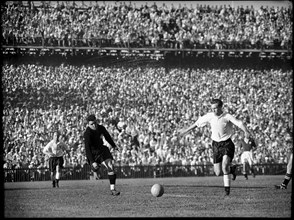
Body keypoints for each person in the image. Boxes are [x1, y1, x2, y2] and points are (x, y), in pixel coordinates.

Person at [178, 98, 252, 196]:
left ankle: (227, 191)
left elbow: (239, 123)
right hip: (216, 145)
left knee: (225, 165)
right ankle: (232, 169)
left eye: (215, 108)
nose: (213, 110)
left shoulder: (227, 116)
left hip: (227, 143)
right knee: (217, 172)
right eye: (212, 108)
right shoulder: (210, 116)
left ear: (221, 107)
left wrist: (245, 131)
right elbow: (197, 124)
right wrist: (185, 130)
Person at [84, 114, 120, 196]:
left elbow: (107, 137)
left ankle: (113, 189)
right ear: (88, 124)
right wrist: (92, 161)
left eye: (95, 123)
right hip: (93, 153)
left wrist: (114, 146)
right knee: (95, 167)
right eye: (92, 124)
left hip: (102, 150)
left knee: (110, 166)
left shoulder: (101, 128)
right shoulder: (87, 134)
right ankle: (95, 168)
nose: (94, 125)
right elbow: (87, 149)